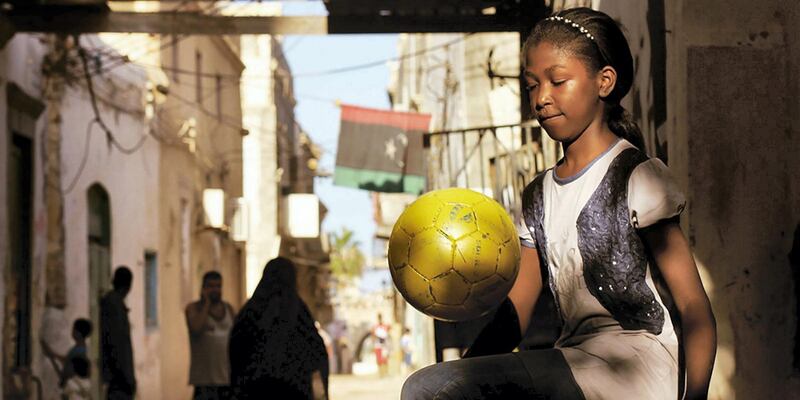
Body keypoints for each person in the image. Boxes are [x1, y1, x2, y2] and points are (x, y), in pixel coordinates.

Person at [402, 7, 717, 400]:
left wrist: (696, 396)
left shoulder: (636, 176)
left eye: (558, 81)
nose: (542, 98)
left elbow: (694, 306)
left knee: (426, 388)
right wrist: (462, 372)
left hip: (638, 369)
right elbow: (516, 312)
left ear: (604, 82)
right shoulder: (537, 196)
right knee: (434, 386)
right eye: (532, 85)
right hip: (573, 361)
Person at [229, 257, 328, 400]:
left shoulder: (251, 310)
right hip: (294, 390)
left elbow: (236, 351)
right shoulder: (298, 311)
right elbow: (317, 352)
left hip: (254, 390)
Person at [186, 271, 236, 400]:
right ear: (203, 288)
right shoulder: (193, 308)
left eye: (218, 286)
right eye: (211, 286)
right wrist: (206, 303)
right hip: (204, 382)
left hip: (226, 380)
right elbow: (196, 329)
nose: (215, 290)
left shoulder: (229, 309)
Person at [101, 266, 136, 399]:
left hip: (117, 376)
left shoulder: (113, 302)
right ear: (128, 286)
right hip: (119, 378)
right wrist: (127, 377)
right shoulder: (114, 305)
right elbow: (118, 344)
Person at [42, 318, 93, 388]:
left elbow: (66, 367)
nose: (72, 331)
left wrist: (52, 355)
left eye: (73, 329)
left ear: (78, 333)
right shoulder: (79, 349)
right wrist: (53, 354)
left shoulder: (79, 352)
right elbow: (67, 360)